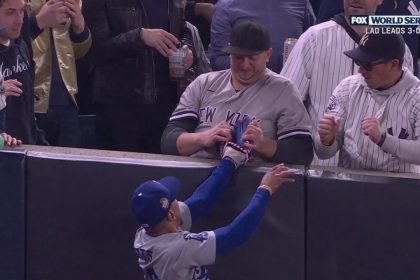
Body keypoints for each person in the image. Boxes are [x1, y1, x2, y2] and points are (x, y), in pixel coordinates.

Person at [132, 142, 295, 279]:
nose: (177, 200)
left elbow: (199, 201)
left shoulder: (145, 232)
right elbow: (235, 234)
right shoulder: (177, 249)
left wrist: (229, 162)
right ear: (171, 215)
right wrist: (265, 189)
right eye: (173, 199)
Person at [280, 0, 413, 167]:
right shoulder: (314, 38)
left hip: (382, 175)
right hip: (319, 170)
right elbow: (285, 107)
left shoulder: (400, 52)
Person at [161, 20, 314, 165]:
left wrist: (263, 145)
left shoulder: (283, 90)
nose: (245, 65)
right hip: (199, 173)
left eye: (253, 58)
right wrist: (203, 138)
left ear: (268, 54)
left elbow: (302, 152)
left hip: (252, 181)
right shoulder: (204, 83)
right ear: (229, 52)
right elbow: (168, 141)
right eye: (239, 57)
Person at [83, 0, 196, 153]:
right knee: (121, 172)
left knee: (159, 172)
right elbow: (94, 50)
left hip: (165, 104)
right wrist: (140, 36)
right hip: (119, 106)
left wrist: (187, 50)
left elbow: (182, 30)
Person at [314, 33, 420, 173]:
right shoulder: (347, 87)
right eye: (359, 62)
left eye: (368, 65)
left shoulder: (416, 96)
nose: (360, 70)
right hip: (349, 185)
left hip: (400, 188)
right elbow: (323, 154)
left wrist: (384, 140)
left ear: (393, 64)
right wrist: (326, 141)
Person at [27, 0, 92, 147]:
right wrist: (38, 22)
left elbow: (78, 53)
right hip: (30, 100)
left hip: (67, 99)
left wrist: (80, 29)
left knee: (68, 167)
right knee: (34, 166)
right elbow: (8, 44)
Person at [208, 0, 314, 73]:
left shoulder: (301, 3)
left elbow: (313, 45)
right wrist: (252, 69)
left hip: (294, 86)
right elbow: (218, 58)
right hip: (244, 92)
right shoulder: (227, 6)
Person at [0, 0, 46, 145]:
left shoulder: (20, 45)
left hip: (27, 144)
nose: (19, 20)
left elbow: (27, 110)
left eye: (22, 11)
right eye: (10, 13)